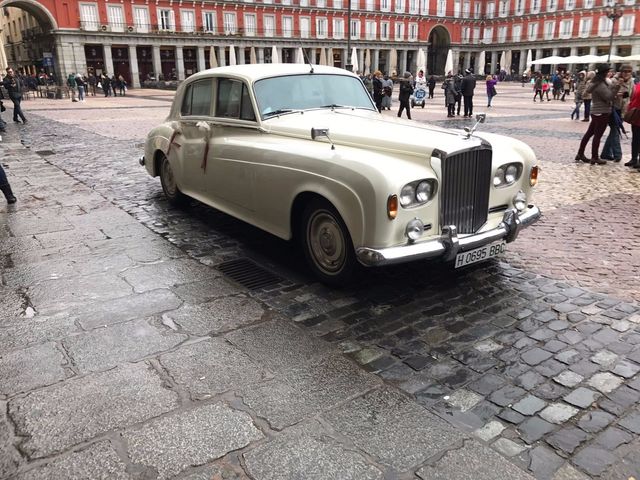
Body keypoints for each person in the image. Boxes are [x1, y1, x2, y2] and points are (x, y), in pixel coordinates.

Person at [575, 64, 617, 165]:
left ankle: (580, 153)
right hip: (602, 111)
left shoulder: (595, 83)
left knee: (589, 133)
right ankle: (595, 157)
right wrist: (616, 88)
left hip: (596, 111)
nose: (609, 73)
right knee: (597, 135)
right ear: (604, 73)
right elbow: (608, 97)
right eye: (608, 72)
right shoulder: (600, 85)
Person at [601, 64, 634, 162]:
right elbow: (608, 96)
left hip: (624, 110)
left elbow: (631, 95)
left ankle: (605, 153)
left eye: (629, 71)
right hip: (613, 109)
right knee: (615, 131)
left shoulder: (631, 81)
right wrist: (618, 95)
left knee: (613, 131)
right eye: (625, 71)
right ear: (621, 72)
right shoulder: (614, 81)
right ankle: (617, 154)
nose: (627, 73)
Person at [625, 80, 640, 170]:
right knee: (635, 138)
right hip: (636, 114)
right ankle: (634, 159)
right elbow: (633, 98)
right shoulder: (638, 85)